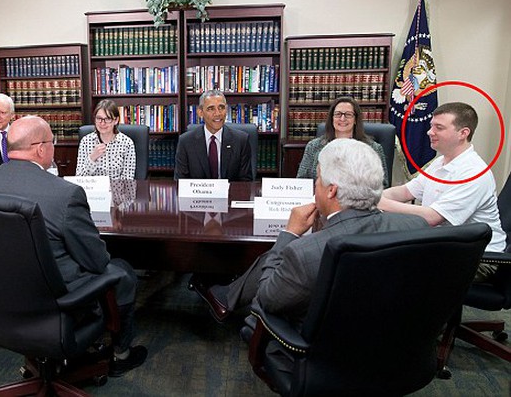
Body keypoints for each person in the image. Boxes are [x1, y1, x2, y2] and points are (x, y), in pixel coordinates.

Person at [0, 115, 147, 376]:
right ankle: (120, 353)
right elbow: (97, 261)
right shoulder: (65, 193)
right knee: (122, 270)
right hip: (56, 295)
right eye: (52, 142)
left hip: (4, 291)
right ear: (41, 148)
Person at [192, 138, 428, 324]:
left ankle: (225, 296)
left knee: (277, 258)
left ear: (331, 191)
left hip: (321, 348)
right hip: (391, 341)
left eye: (317, 179)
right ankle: (227, 295)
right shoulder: (416, 228)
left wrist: (289, 235)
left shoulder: (305, 253)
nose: (315, 185)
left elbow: (265, 299)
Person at [379, 102, 506, 281]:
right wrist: (371, 196)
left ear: (463, 133)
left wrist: (378, 202)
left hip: (479, 257)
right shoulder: (440, 163)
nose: (429, 132)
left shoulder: (474, 172)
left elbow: (433, 217)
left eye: (439, 127)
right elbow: (406, 192)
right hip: (446, 244)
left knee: (396, 271)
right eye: (431, 126)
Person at [297, 96, 389, 187]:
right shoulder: (313, 146)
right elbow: (301, 182)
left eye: (348, 114)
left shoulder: (373, 148)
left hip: (358, 200)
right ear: (332, 118)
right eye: (338, 114)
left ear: (355, 119)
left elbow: (383, 185)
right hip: (322, 199)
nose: (342, 119)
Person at [174, 89, 252, 181]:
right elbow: (181, 182)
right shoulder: (186, 141)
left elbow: (245, 183)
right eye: (211, 109)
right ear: (200, 112)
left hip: (231, 194)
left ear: (226, 110)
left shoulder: (241, 140)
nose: (218, 114)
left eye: (221, 107)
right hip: (198, 195)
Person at [76, 99, 136, 180]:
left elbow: (128, 179)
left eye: (107, 119)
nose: (102, 123)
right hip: (93, 190)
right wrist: (92, 157)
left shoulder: (126, 143)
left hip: (118, 190)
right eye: (99, 118)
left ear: (116, 120)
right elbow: (79, 178)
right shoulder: (86, 141)